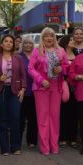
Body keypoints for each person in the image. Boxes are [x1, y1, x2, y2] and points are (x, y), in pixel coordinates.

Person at [28, 27, 69, 155]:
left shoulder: (61, 50)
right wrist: (40, 80)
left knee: (55, 118)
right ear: (42, 37)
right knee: (43, 118)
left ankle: (54, 146)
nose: (49, 38)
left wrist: (61, 69)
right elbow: (30, 68)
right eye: (46, 36)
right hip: (41, 88)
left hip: (56, 87)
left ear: (54, 37)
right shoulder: (37, 51)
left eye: (51, 35)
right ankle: (45, 147)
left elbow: (67, 66)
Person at [0, 35, 26, 156]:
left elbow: (23, 75)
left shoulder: (18, 58)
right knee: (2, 119)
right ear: (1, 44)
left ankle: (15, 147)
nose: (9, 43)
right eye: (6, 41)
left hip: (15, 91)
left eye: (11, 41)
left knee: (15, 118)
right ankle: (4, 148)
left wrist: (23, 88)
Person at [58, 35, 78, 149]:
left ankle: (73, 138)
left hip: (75, 87)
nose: (73, 41)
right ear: (65, 42)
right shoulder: (60, 54)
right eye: (71, 40)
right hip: (63, 85)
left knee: (74, 113)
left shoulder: (78, 55)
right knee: (63, 113)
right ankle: (63, 138)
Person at [19, 36, 38, 148]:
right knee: (20, 118)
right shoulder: (18, 57)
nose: (27, 45)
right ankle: (18, 140)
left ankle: (32, 141)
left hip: (35, 91)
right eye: (25, 43)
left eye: (30, 43)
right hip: (22, 91)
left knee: (33, 118)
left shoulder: (37, 56)